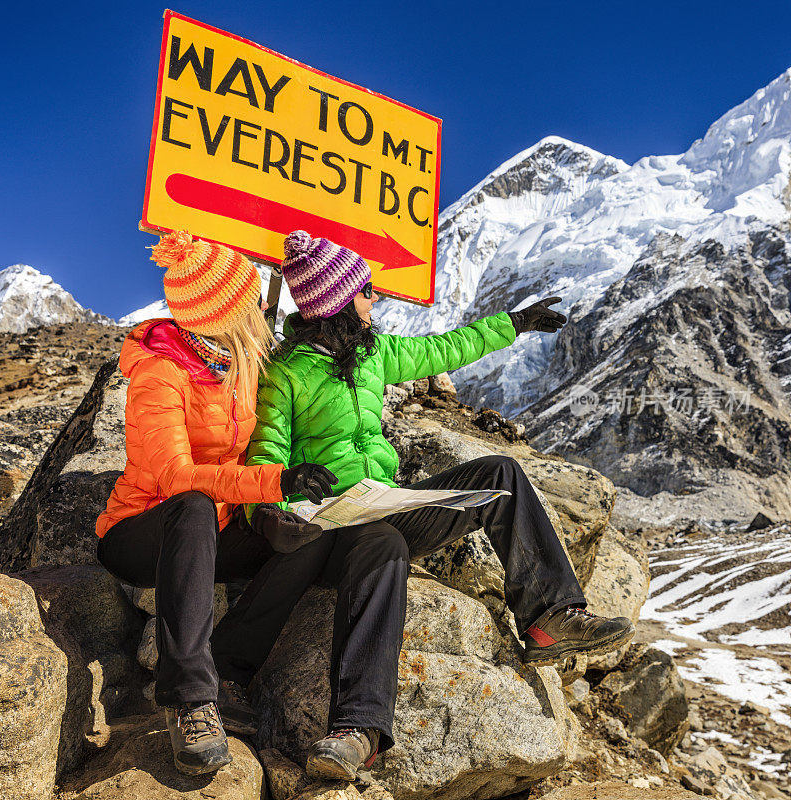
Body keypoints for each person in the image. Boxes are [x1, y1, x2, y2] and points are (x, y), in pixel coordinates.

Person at [215, 230, 634, 782]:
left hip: (384, 505)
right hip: (331, 530)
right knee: (383, 542)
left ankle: (549, 616)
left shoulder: (375, 354)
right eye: (366, 291)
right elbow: (266, 454)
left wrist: (513, 324)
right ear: (338, 302)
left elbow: (443, 347)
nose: (375, 299)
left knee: (499, 474)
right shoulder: (288, 373)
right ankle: (357, 730)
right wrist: (276, 506)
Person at [95, 231, 336, 776]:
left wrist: (283, 498)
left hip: (213, 527)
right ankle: (189, 700)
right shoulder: (160, 372)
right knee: (194, 505)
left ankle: (227, 669)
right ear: (226, 311)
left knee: (302, 538)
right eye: (253, 298)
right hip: (141, 531)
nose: (263, 306)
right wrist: (274, 482)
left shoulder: (240, 362)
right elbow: (178, 477)